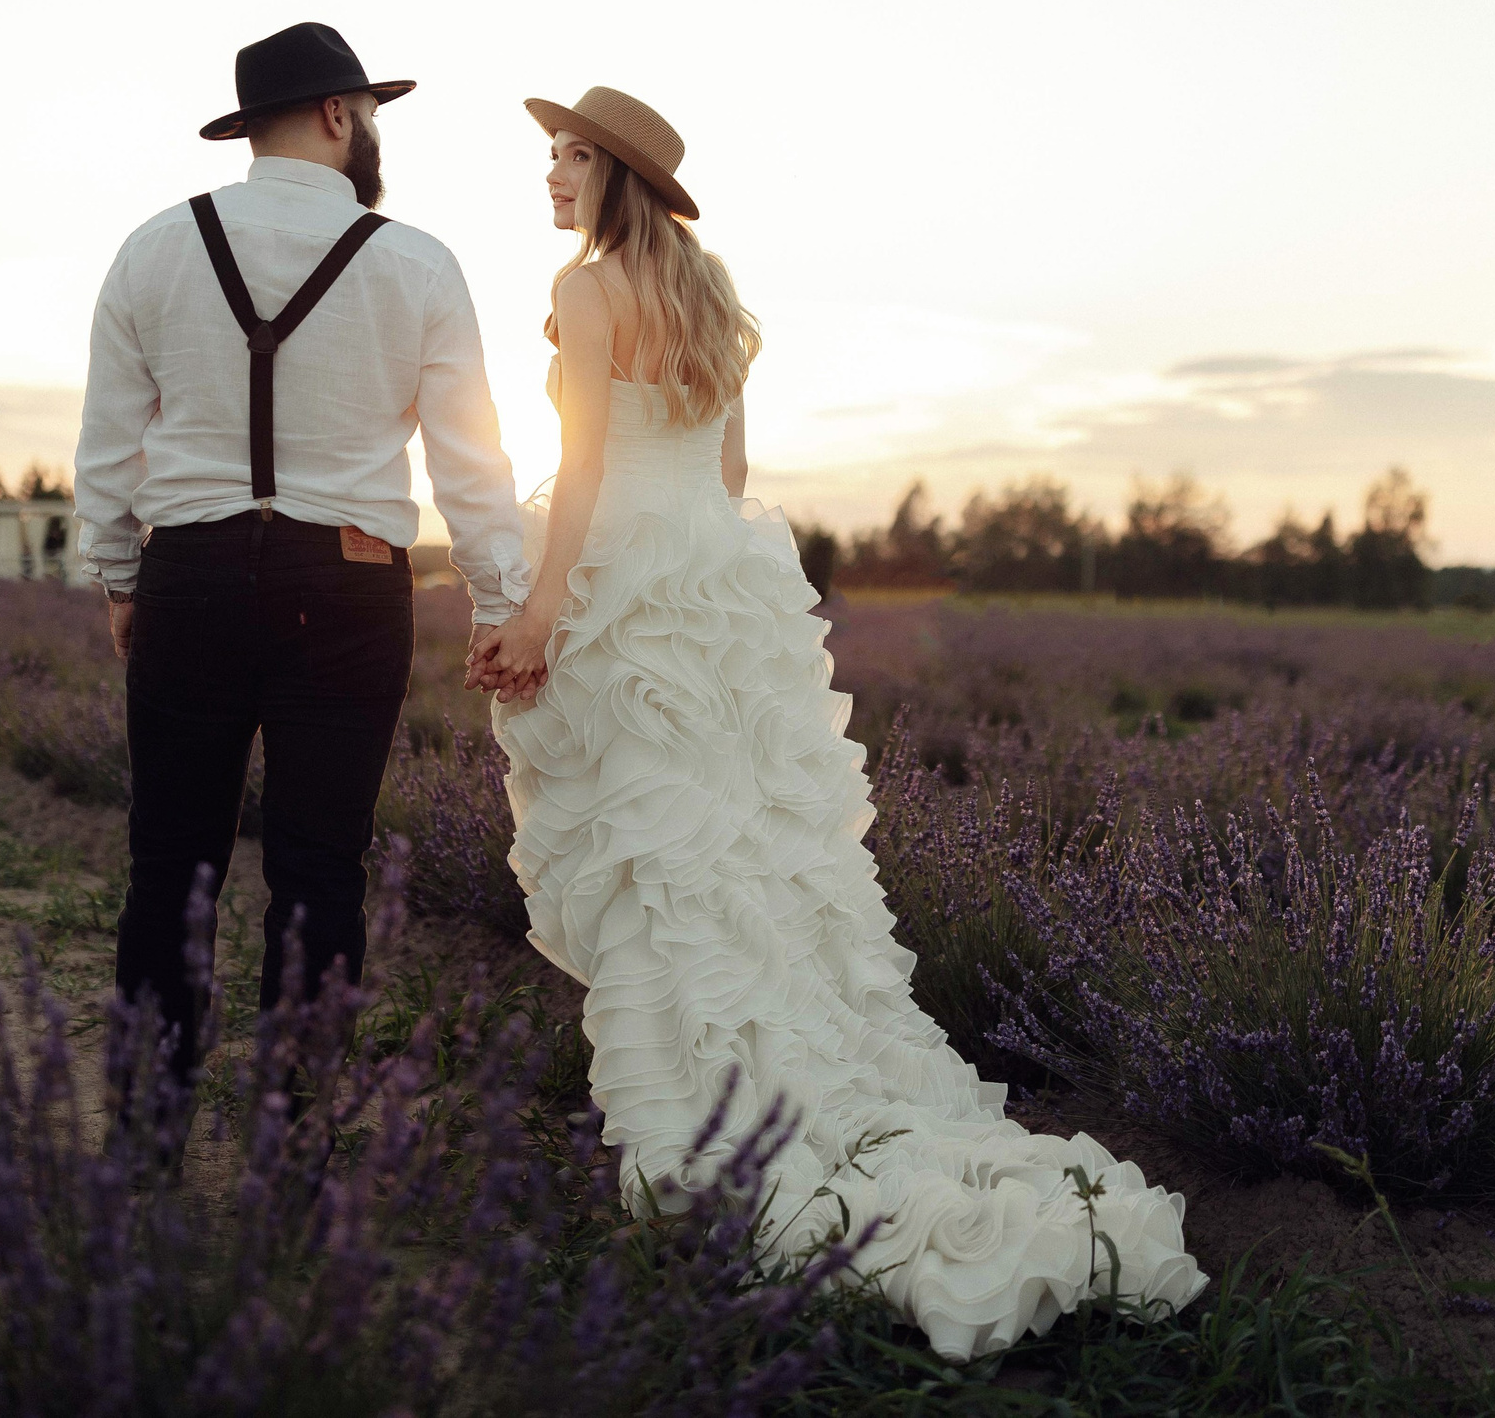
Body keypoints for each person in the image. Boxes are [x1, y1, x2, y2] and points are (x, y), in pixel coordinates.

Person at [466, 87, 1208, 1361]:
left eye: (571, 158)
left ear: (615, 178)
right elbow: (731, 474)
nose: (551, 176)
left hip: (628, 581)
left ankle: (701, 1127)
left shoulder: (585, 291)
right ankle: (793, 1076)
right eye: (550, 156)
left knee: (660, 856)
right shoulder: (709, 292)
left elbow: (583, 464)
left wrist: (542, 608)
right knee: (743, 844)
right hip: (720, 582)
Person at [75, 21, 530, 1097]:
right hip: (351, 584)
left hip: (190, 576)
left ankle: (147, 1126)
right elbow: (469, 458)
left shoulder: (153, 246)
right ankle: (296, 1132)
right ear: (336, 114)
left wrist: (122, 577)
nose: (370, 130)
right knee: (321, 868)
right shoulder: (418, 262)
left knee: (170, 861)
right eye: (367, 112)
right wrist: (500, 596)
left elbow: (108, 443)